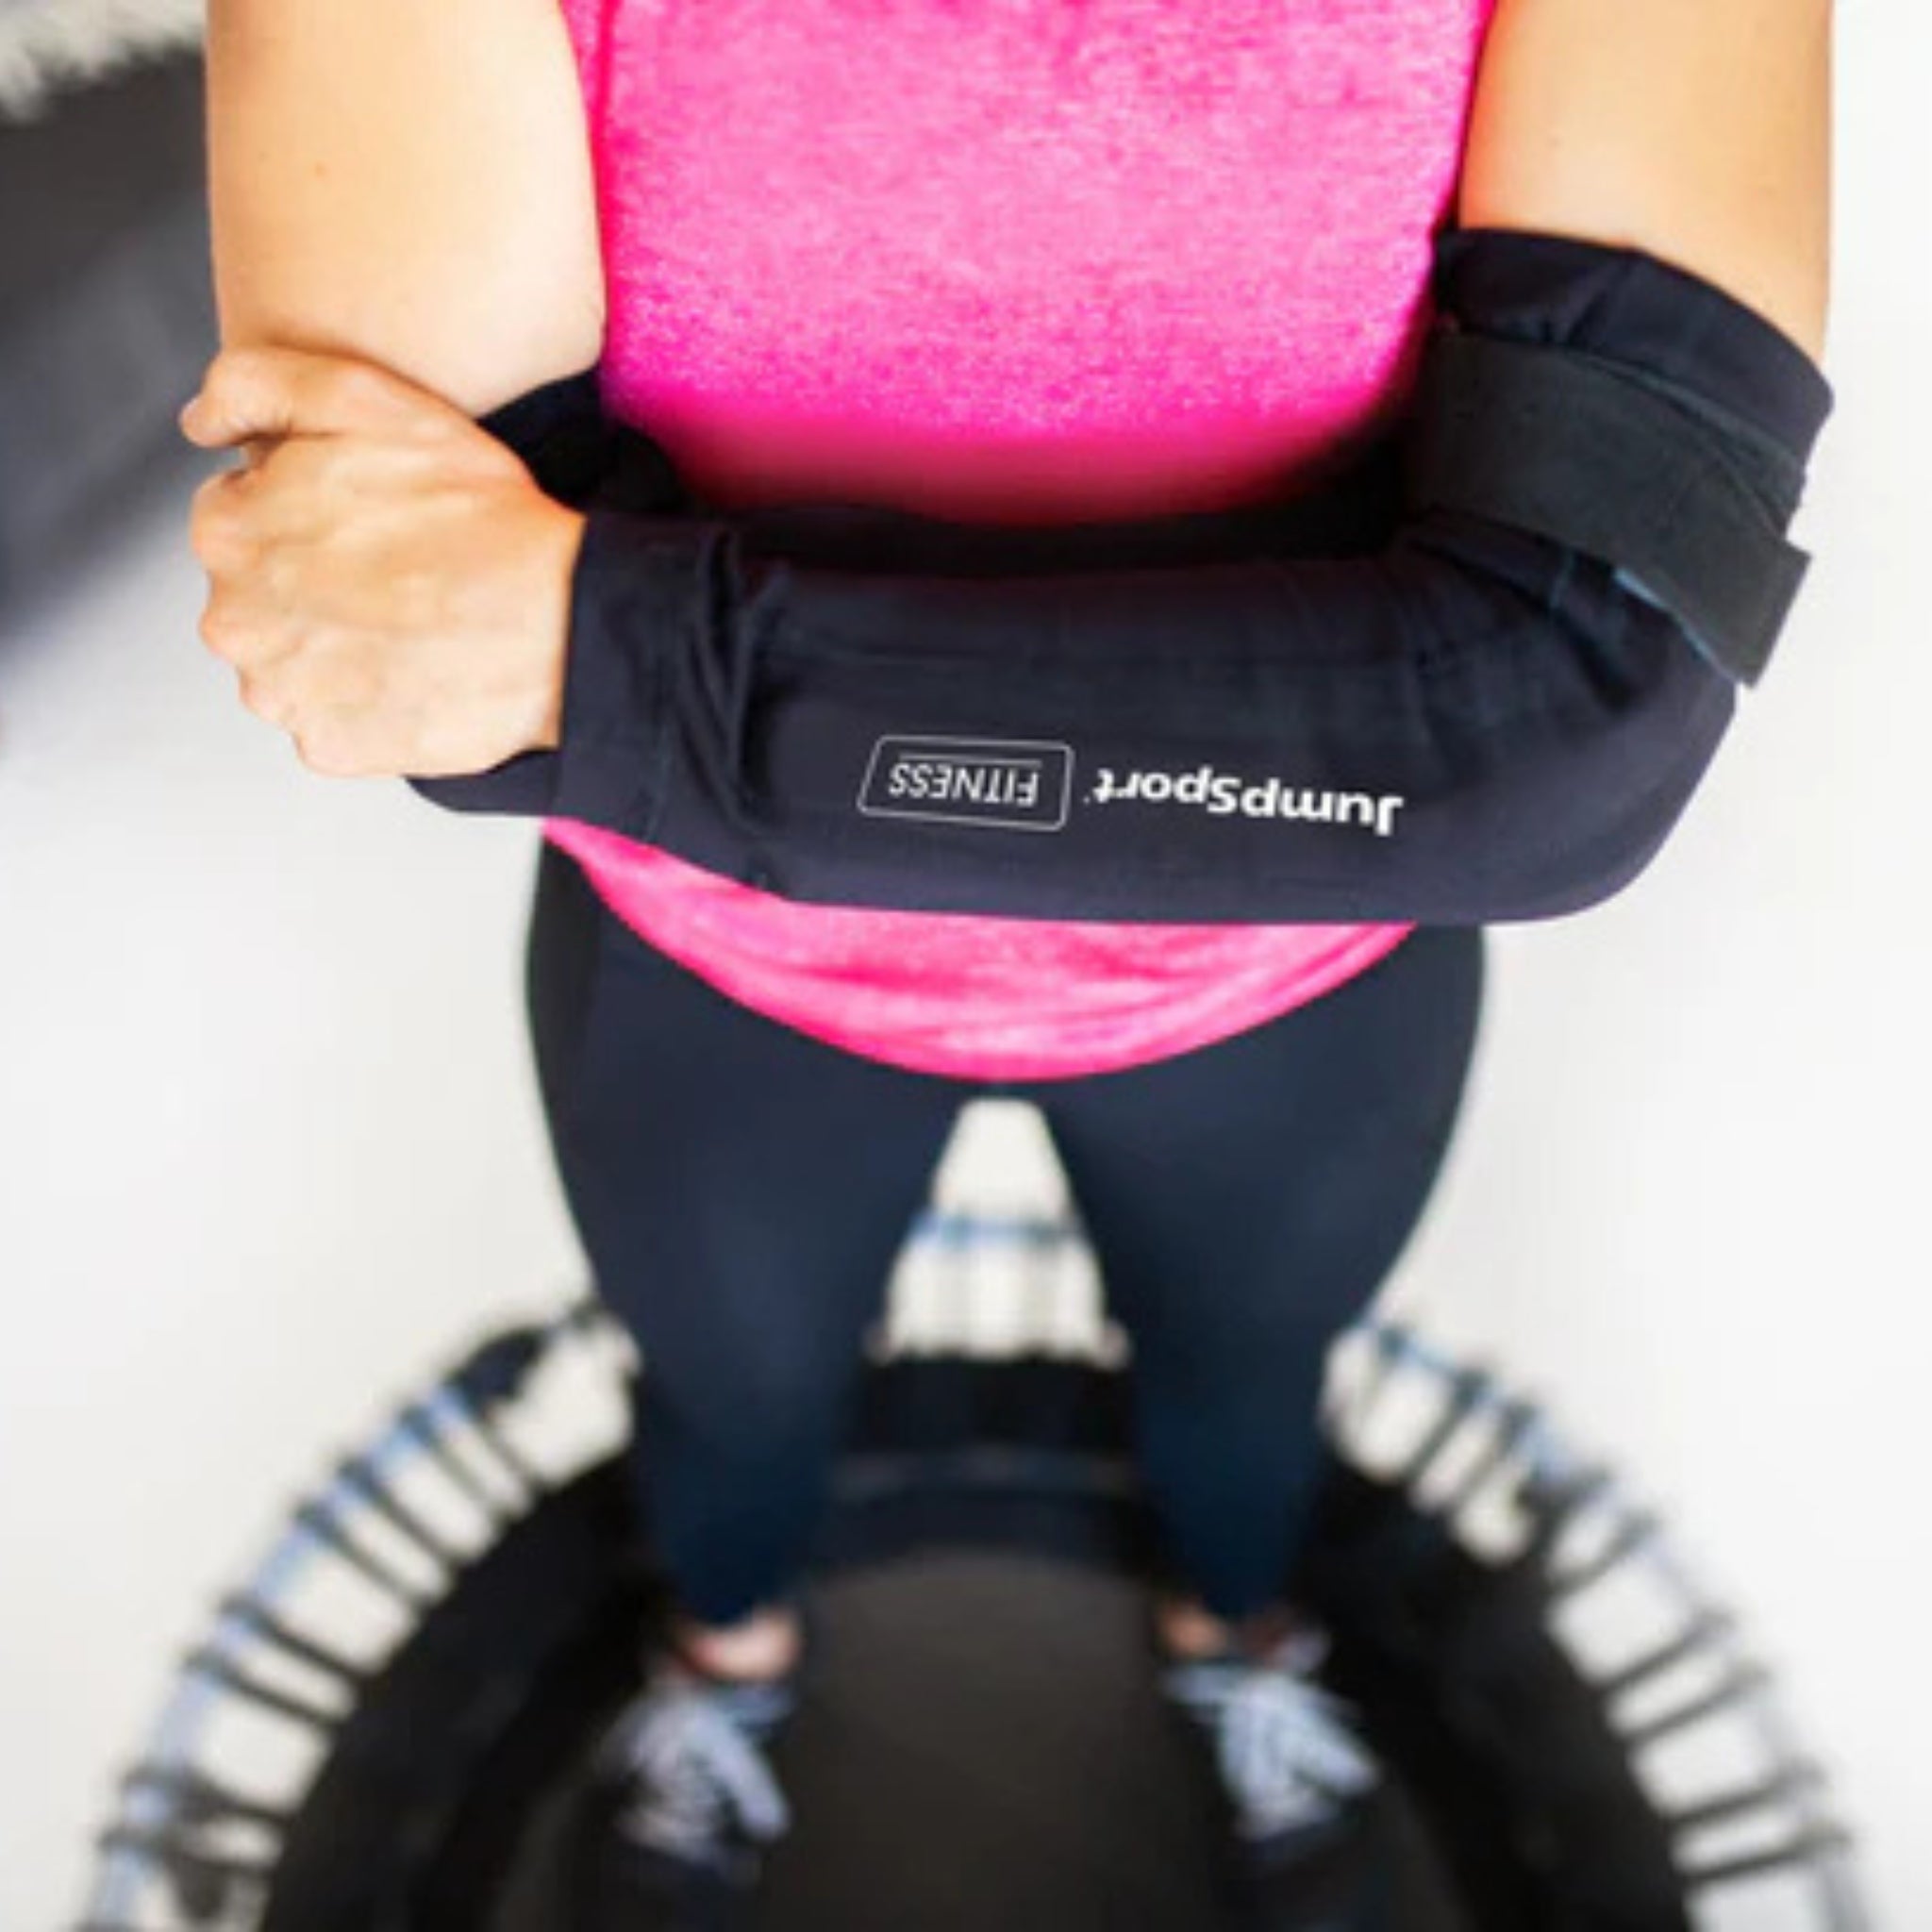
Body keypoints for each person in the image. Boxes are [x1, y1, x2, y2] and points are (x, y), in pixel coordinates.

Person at [189, 0, 1828, 1921]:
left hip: (1276, 993)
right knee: (727, 1409)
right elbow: (407, 655)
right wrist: (1351, 708)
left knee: (1245, 1396)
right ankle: (725, 1683)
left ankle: (1238, 1654)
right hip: (719, 969)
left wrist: (611, 645)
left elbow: (1567, 712)